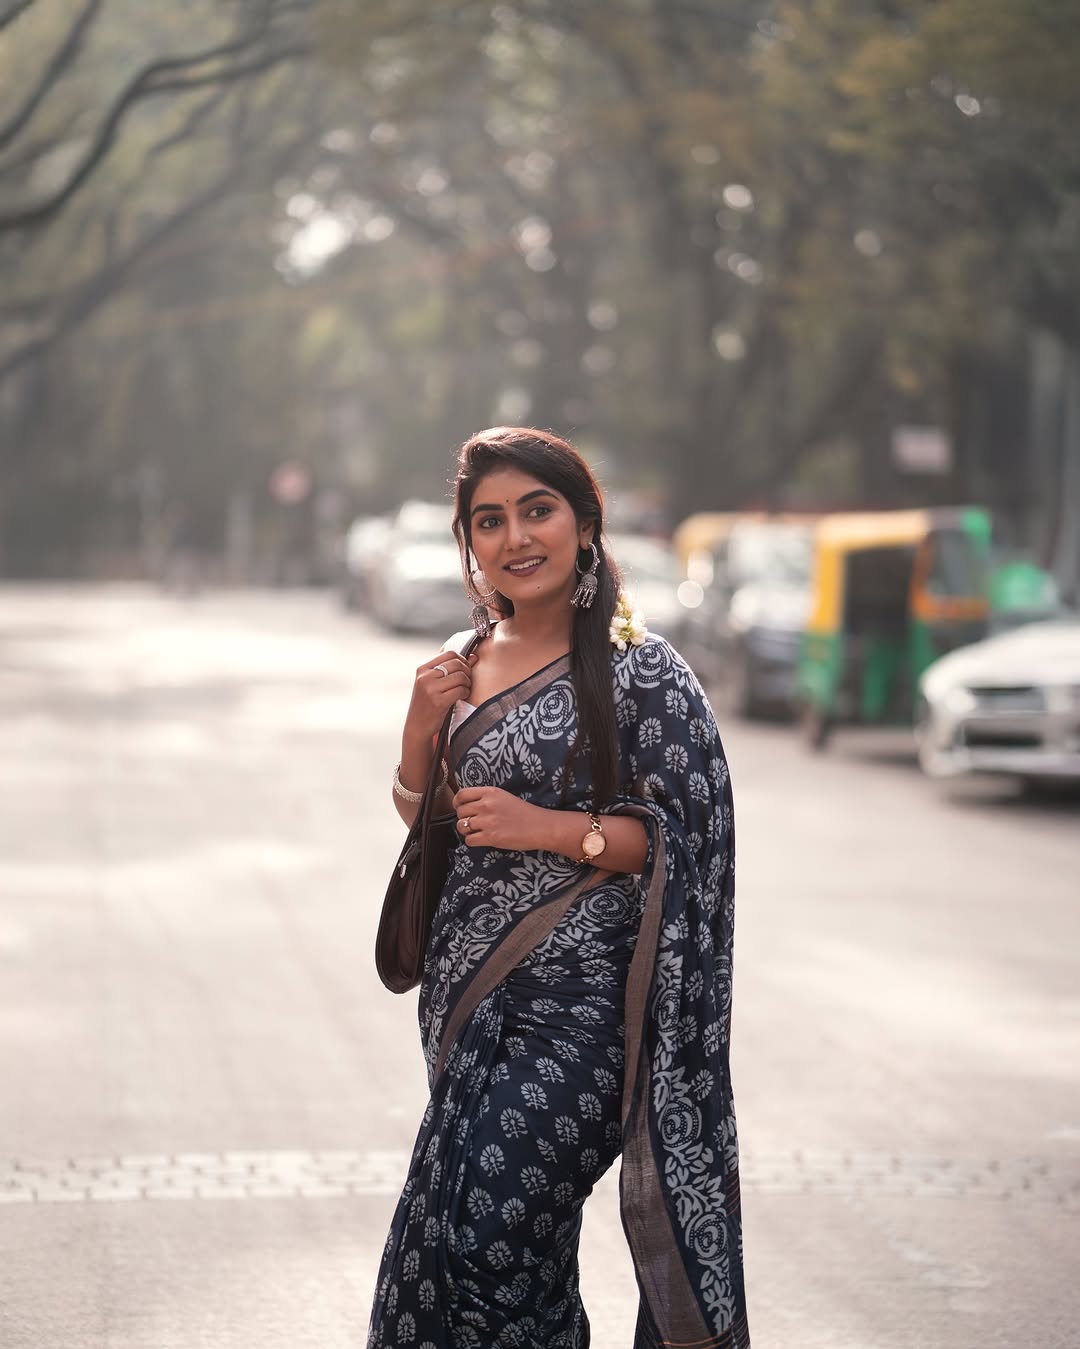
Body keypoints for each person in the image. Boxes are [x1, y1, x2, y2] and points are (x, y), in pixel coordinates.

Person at [369, 427, 749, 1349]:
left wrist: (549, 830)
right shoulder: (463, 661)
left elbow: (685, 839)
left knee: (492, 1231)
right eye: (489, 520)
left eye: (536, 510)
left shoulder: (644, 671)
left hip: (589, 1018)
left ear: (584, 524)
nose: (515, 537)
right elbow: (418, 812)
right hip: (471, 1003)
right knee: (494, 1247)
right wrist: (421, 726)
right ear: (469, 542)